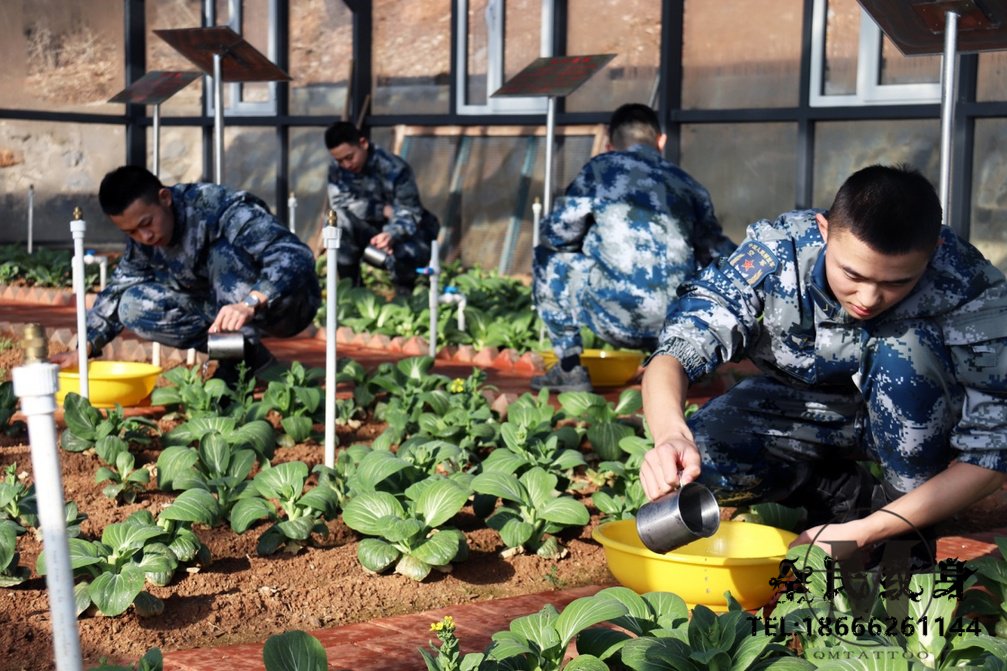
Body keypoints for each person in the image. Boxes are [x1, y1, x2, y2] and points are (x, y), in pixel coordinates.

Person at [639, 163, 1007, 563]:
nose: (868, 298)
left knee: (906, 351)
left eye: (896, 282)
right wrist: (670, 435)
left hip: (914, 419)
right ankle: (842, 492)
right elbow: (677, 350)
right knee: (705, 454)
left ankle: (904, 535)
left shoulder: (969, 284)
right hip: (808, 406)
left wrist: (868, 530)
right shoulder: (782, 251)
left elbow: (991, 455)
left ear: (933, 252)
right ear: (824, 230)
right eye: (852, 273)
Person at [531, 103, 735, 393]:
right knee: (710, 265)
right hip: (676, 323)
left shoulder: (599, 170)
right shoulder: (688, 184)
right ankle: (694, 366)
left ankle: (569, 370)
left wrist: (592, 242)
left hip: (612, 315)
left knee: (546, 257)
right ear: (661, 141)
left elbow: (557, 233)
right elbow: (716, 251)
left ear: (610, 143)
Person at [52, 165, 321, 384]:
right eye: (131, 232)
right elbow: (119, 288)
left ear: (165, 198)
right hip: (226, 312)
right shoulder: (143, 241)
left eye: (146, 224)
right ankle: (244, 357)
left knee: (222, 254)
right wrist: (84, 348)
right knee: (132, 305)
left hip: (286, 306)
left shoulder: (219, 207)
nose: (144, 236)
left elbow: (293, 254)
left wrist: (250, 302)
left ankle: (234, 367)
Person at [324, 121, 440, 296]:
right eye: (340, 160)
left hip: (405, 233)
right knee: (337, 222)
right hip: (368, 230)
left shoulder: (395, 168)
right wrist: (380, 209)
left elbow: (409, 212)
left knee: (408, 252)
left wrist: (392, 234)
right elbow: (340, 204)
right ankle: (352, 292)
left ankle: (406, 294)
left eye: (349, 157)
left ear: (363, 143)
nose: (346, 165)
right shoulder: (336, 170)